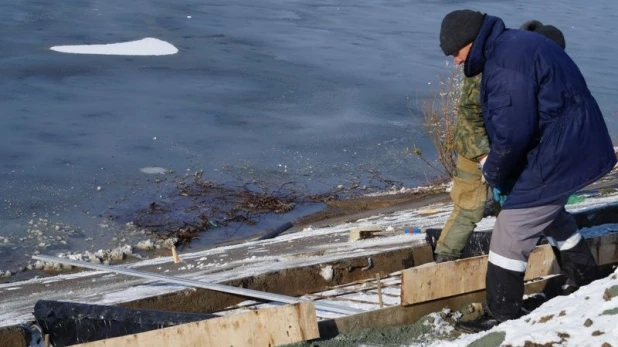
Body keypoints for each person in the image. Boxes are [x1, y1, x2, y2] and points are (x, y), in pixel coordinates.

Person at [438, 10, 616, 332]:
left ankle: (503, 314)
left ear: (470, 41)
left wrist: (493, 170)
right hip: (572, 143)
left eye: (456, 53)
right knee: (549, 212)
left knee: (510, 229)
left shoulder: (504, 63)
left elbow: (513, 133)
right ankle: (585, 279)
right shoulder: (510, 47)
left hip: (561, 151)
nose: (456, 61)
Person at [434, 20, 567, 263]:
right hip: (475, 149)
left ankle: (511, 253)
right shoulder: (495, 66)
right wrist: (484, 157)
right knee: (469, 208)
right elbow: (469, 118)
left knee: (514, 206)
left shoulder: (532, 70)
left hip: (507, 150)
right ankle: (444, 258)